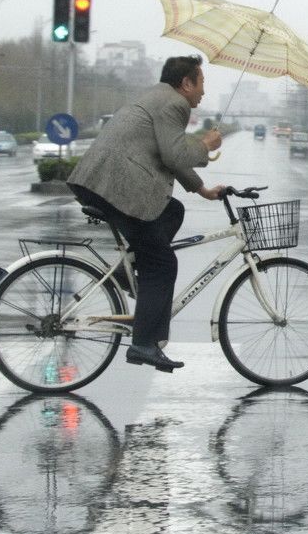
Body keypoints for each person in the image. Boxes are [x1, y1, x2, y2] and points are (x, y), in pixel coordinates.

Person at [68, 55, 226, 372]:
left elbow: (169, 158)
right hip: (117, 185)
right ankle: (143, 344)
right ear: (186, 83)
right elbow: (175, 152)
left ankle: (131, 270)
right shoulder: (175, 104)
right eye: (202, 84)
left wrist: (201, 189)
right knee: (163, 265)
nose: (203, 93)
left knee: (172, 210)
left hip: (102, 180)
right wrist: (205, 145)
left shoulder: (158, 97)